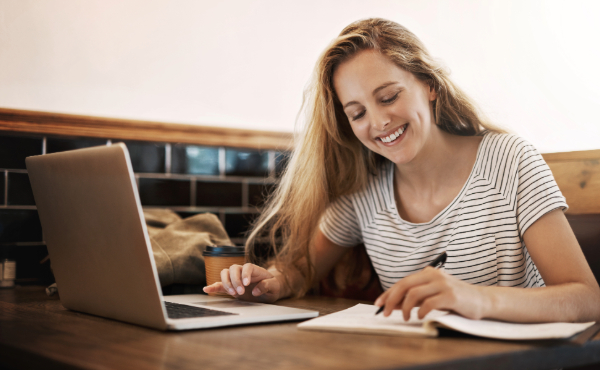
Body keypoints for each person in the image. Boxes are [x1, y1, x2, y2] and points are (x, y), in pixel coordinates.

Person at [204, 18, 600, 323]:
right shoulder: (365, 192)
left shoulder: (509, 160)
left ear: (429, 83)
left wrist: (475, 298)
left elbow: (587, 298)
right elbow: (299, 272)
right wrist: (271, 282)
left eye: (389, 96)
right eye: (357, 113)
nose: (378, 122)